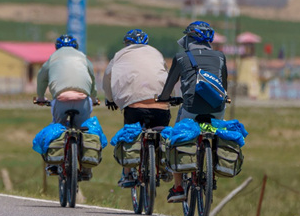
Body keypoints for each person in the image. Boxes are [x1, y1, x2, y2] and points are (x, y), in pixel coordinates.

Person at [157, 21, 228, 203]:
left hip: (191, 108)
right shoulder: (220, 57)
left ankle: (178, 187)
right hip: (217, 108)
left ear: (189, 38)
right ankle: (212, 169)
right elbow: (223, 87)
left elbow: (169, 85)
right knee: (213, 130)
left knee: (177, 136)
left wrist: (163, 98)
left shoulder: (181, 57)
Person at [102, 29, 170, 188]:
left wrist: (110, 99)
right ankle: (164, 164)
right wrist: (169, 98)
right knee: (162, 134)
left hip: (134, 107)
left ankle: (127, 174)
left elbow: (107, 75)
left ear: (127, 43)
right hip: (161, 105)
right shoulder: (156, 53)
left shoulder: (120, 55)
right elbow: (165, 75)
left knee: (131, 135)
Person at [35, 34, 99, 178]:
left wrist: (40, 97)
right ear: (75, 47)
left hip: (61, 99)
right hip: (83, 99)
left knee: (57, 127)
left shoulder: (53, 58)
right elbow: (92, 78)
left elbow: (41, 77)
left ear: (56, 47)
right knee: (84, 129)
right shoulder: (83, 57)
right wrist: (94, 98)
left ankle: (54, 163)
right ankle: (86, 168)